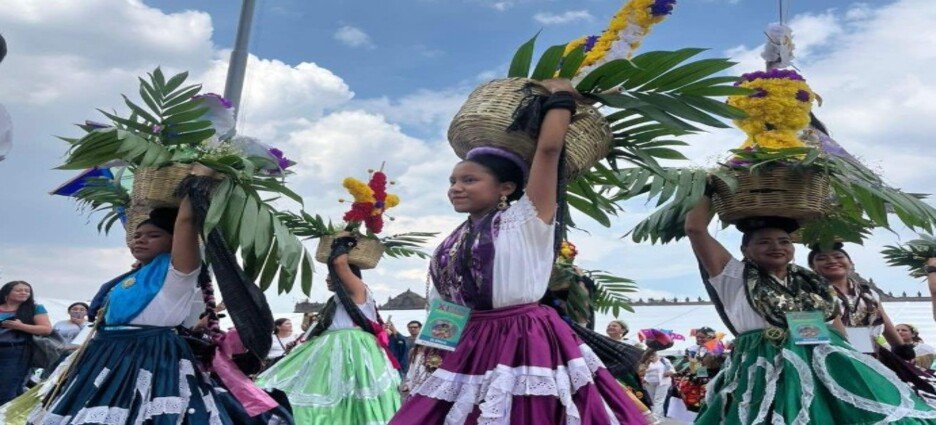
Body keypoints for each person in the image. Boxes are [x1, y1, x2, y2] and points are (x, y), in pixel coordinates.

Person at [390, 78, 644, 424]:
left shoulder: (526, 219)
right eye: (452, 181)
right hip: (467, 341)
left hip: (521, 338)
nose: (456, 188)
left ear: (505, 188)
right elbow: (447, 302)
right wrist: (428, 353)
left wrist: (560, 97)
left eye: (469, 180)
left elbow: (548, 152)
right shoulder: (452, 240)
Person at [685, 195, 936, 423]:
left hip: (822, 362)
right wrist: (708, 188)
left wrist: (855, 360)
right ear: (745, 250)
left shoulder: (813, 282)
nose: (776, 247)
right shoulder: (734, 276)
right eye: (764, 242)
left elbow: (834, 326)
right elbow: (696, 229)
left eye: (784, 241)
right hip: (763, 365)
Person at [27, 173, 236, 423]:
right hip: (104, 354)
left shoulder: (178, 271)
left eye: (153, 235)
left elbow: (186, 224)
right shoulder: (130, 278)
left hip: (150, 354)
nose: (141, 239)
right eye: (137, 235)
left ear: (174, 242)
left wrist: (197, 182)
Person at [255, 237, 401, 424]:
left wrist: (342, 244)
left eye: (330, 275)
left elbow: (339, 262)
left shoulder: (359, 291)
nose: (326, 279)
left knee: (354, 398)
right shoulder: (334, 301)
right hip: (331, 352)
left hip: (352, 351)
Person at [0, 281, 52, 405]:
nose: (24, 293)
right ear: (7, 292)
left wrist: (20, 326)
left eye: (27, 291)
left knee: (7, 388)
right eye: (19, 290)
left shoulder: (35, 308)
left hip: (15, 351)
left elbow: (46, 329)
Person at [639, 350, 673, 418]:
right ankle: (660, 417)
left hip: (663, 382)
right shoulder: (645, 362)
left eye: (653, 355)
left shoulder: (664, 360)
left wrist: (668, 373)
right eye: (650, 355)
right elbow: (640, 373)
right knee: (654, 400)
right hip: (649, 383)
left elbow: (672, 370)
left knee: (658, 400)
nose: (652, 357)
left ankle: (655, 417)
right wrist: (646, 366)